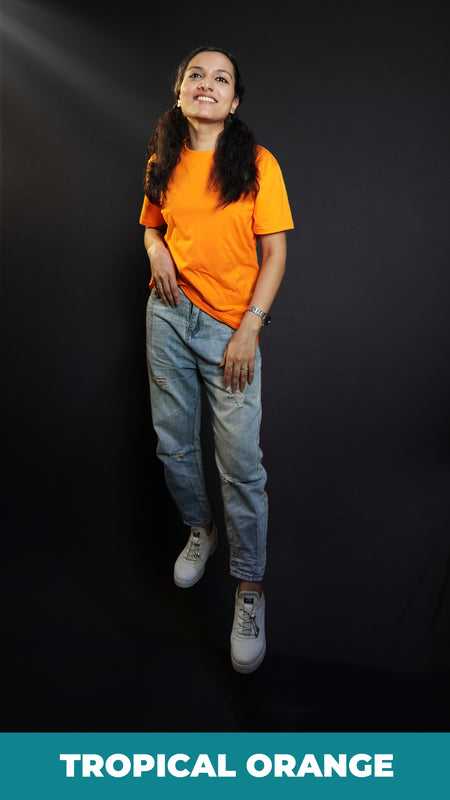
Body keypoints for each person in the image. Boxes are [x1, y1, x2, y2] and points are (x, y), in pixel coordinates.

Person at [140, 45, 293, 673]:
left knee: (241, 466)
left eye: (220, 78)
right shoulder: (161, 160)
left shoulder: (257, 164)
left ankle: (249, 588)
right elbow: (153, 227)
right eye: (195, 76)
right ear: (181, 93)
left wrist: (249, 329)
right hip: (167, 316)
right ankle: (199, 530)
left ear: (233, 103)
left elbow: (276, 253)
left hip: (232, 328)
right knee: (173, 444)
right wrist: (155, 250)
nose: (207, 84)